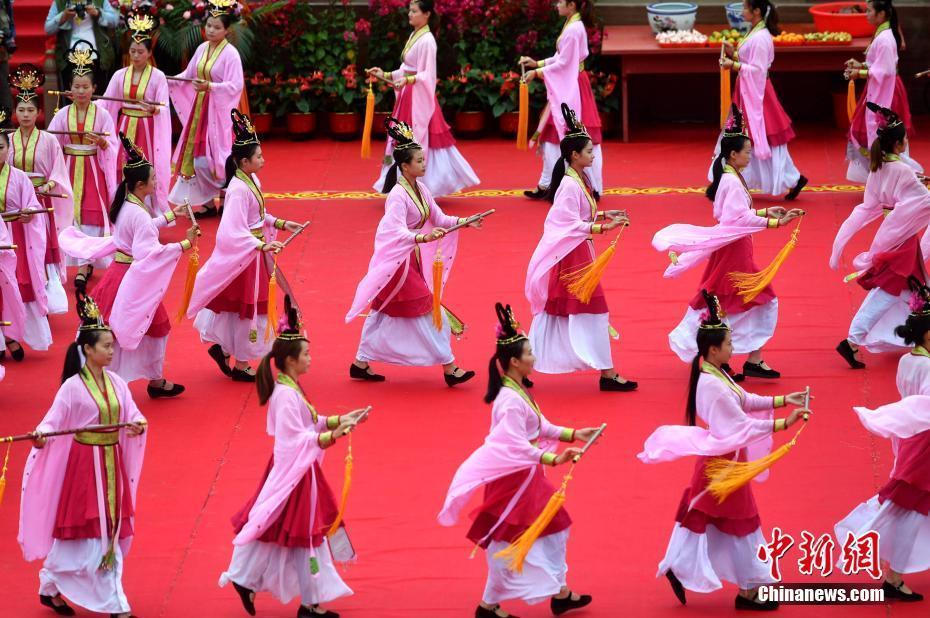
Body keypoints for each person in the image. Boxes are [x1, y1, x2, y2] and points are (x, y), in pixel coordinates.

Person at [639, 291, 810, 610]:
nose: (734, 348)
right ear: (714, 349)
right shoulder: (714, 386)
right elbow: (741, 427)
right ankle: (750, 589)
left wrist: (784, 401)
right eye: (730, 344)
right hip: (723, 463)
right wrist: (785, 424)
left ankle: (681, 567)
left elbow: (745, 400)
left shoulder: (718, 375)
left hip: (724, 459)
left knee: (705, 515)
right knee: (741, 521)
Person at [439, 303, 597, 618]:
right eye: (529, 354)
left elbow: (539, 426)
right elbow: (513, 444)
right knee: (508, 540)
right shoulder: (510, 401)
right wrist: (552, 457)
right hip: (513, 481)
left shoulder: (516, 392)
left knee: (554, 527)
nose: (534, 359)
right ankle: (490, 604)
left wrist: (574, 433)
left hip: (525, 477)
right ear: (514, 361)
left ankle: (560, 592)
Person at [220, 298, 367, 618]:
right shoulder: (285, 395)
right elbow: (295, 439)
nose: (311, 359)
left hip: (298, 468)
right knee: (301, 534)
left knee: (282, 529)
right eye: (307, 354)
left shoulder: (291, 388)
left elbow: (309, 424)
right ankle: (306, 602)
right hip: (294, 470)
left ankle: (250, 580)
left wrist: (340, 420)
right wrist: (333, 435)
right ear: (289, 360)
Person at [18, 292, 147, 618]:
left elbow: (133, 414)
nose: (110, 351)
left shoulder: (118, 383)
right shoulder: (72, 387)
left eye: (111, 346)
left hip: (111, 462)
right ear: (87, 350)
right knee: (87, 528)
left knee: (108, 526)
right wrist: (41, 435)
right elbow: (52, 421)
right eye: (105, 346)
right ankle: (115, 603)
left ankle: (51, 584)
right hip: (84, 466)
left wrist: (137, 425)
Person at [654, 106, 803, 380]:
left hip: (735, 246)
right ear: (733, 154)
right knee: (748, 301)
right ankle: (720, 357)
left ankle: (750, 358)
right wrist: (773, 222)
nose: (750, 155)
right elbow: (738, 219)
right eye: (747, 151)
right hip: (735, 250)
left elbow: (738, 215)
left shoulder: (732, 177)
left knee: (746, 301)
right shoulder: (732, 182)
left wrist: (766, 213)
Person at [58, 132, 199, 397]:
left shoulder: (126, 204)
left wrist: (169, 216)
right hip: (131, 279)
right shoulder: (138, 211)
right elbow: (150, 253)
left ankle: (126, 378)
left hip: (117, 274)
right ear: (141, 184)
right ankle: (144, 381)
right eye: (154, 179)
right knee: (155, 328)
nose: (157, 182)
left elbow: (135, 234)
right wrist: (185, 244)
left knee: (113, 327)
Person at [347, 117, 481, 386]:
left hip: (410, 261)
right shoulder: (397, 196)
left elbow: (440, 219)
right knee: (428, 310)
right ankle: (449, 367)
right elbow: (393, 231)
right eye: (419, 160)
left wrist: (465, 221)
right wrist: (422, 237)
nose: (424, 163)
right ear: (405, 166)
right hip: (398, 261)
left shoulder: (420, 189)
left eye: (423, 159)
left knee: (383, 311)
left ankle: (361, 362)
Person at [186, 109, 304, 382]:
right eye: (259, 156)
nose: (263, 159)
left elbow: (258, 217)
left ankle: (226, 350)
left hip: (253, 251)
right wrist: (260, 246)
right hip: (247, 256)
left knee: (240, 309)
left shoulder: (251, 180)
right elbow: (231, 230)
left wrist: (283, 223)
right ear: (244, 162)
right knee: (250, 309)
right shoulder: (238, 190)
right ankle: (240, 362)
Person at [525, 103, 635, 392]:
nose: (593, 154)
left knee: (556, 311)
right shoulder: (570, 185)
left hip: (577, 253)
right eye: (589, 151)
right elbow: (565, 223)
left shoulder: (579, 179)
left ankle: (522, 364)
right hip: (574, 257)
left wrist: (603, 217)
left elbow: (578, 216)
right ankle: (608, 374)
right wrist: (599, 228)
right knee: (594, 310)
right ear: (574, 155)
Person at [835, 282, 930, 603]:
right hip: (924, 444)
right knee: (910, 508)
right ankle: (894, 575)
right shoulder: (928, 366)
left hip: (912, 437)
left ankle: (894, 570)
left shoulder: (908, 361)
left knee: (910, 508)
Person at [834, 103, 930, 369]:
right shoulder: (902, 169)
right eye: (905, 139)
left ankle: (917, 337)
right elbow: (922, 202)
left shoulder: (879, 167)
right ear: (899, 144)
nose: (907, 142)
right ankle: (852, 340)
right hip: (903, 237)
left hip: (893, 232)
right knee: (890, 290)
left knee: (914, 288)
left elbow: (874, 202)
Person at [368, 0, 479, 198]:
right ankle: (404, 185)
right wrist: (385, 73)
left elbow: (427, 74)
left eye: (414, 11)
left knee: (416, 140)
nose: (409, 14)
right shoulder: (414, 35)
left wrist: (408, 80)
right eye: (409, 10)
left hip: (417, 97)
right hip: (408, 95)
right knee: (404, 140)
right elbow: (406, 68)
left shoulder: (427, 40)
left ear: (426, 14)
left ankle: (423, 186)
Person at [715, 0, 807, 199]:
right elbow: (752, 61)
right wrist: (736, 54)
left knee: (766, 138)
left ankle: (792, 178)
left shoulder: (761, 37)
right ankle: (732, 180)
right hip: (749, 91)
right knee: (751, 136)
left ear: (756, 11)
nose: (742, 12)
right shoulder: (755, 32)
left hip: (758, 94)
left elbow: (758, 70)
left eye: (745, 8)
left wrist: (734, 65)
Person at [47, 44, 118, 291]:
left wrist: (101, 142)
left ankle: (85, 264)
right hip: (68, 169)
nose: (81, 91)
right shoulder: (62, 114)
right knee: (70, 214)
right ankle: (77, 262)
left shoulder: (102, 114)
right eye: (76, 87)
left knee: (90, 214)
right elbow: (52, 143)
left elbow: (113, 143)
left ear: (94, 89)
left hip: (92, 171)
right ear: (70, 89)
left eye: (85, 87)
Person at [521, 0, 604, 199]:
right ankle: (548, 183)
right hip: (569, 82)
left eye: (560, 1)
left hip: (572, 84)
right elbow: (561, 58)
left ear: (572, 5)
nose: (556, 5)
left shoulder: (574, 28)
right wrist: (538, 63)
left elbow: (565, 63)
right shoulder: (572, 24)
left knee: (576, 134)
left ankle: (586, 185)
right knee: (555, 132)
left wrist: (537, 72)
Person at [168, 0, 244, 216]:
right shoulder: (202, 48)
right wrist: (169, 80)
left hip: (217, 112)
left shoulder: (231, 54)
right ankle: (209, 204)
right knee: (198, 157)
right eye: (209, 25)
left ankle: (226, 200)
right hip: (200, 110)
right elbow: (189, 75)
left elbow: (235, 85)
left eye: (217, 27)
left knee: (219, 156)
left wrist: (210, 86)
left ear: (227, 30)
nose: (211, 30)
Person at [9, 63, 74, 315]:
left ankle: (44, 297)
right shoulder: (8, 140)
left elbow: (58, 171)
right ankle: (19, 294)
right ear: (15, 112)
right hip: (16, 201)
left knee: (40, 248)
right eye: (21, 110)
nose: (26, 115)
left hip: (40, 199)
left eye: (30, 110)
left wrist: (48, 185)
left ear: (38, 113)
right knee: (18, 249)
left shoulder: (48, 140)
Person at [98, 13, 171, 215]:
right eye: (132, 51)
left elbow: (164, 106)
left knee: (144, 169)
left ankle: (148, 212)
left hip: (147, 130)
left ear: (149, 53)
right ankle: (124, 210)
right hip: (125, 127)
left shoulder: (158, 76)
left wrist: (155, 109)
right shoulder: (120, 75)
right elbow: (106, 102)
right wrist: (85, 102)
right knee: (123, 168)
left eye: (140, 51)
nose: (136, 55)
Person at [844, 0, 922, 183]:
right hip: (880, 88)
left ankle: (899, 178)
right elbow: (879, 63)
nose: (867, 14)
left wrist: (860, 72)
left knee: (885, 135)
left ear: (881, 14)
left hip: (887, 92)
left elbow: (885, 70)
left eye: (870, 10)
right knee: (876, 133)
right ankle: (882, 178)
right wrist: (862, 65)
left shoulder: (885, 38)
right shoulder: (883, 34)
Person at [1, 110, 53, 358]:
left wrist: (29, 214)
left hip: (15, 238)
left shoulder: (19, 177)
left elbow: (31, 203)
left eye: (0, 147)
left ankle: (12, 336)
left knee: (15, 285)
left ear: (7, 149)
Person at [44, 0, 119, 88]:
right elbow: (48, 29)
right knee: (71, 93)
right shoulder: (60, 2)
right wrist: (63, 16)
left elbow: (115, 21)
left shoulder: (100, 1)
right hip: (69, 56)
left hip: (96, 55)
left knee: (97, 94)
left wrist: (97, 13)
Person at [0, 0, 15, 112]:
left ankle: (6, 123)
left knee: (4, 90)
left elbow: (10, 24)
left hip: (1, 51)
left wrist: (9, 37)